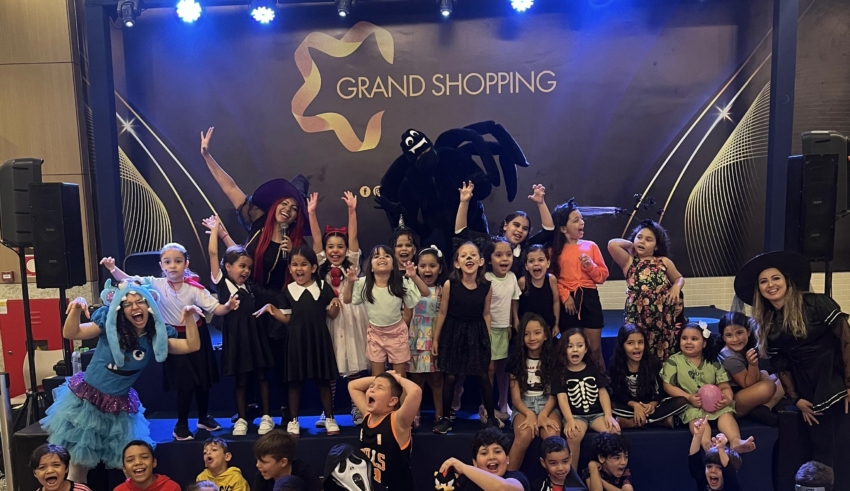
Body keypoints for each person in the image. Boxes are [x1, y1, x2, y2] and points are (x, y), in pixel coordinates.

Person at [201, 127, 311, 422]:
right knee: (247, 355)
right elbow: (231, 188)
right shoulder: (258, 221)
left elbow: (305, 276)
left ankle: (284, 411)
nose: (288, 210)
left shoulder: (296, 242)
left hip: (277, 302)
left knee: (277, 359)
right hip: (248, 297)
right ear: (275, 205)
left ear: (297, 217)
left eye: (294, 208)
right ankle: (246, 409)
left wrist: (292, 256)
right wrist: (207, 155)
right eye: (284, 203)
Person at [41, 280, 199, 482]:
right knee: (77, 466)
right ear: (120, 308)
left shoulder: (155, 338)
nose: (135, 307)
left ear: (150, 304)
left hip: (119, 407)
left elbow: (192, 345)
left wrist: (189, 317)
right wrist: (76, 308)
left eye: (140, 301)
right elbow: (71, 333)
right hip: (86, 404)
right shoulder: (110, 326)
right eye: (128, 303)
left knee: (132, 462)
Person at [734, 251, 850, 487]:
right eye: (763, 281)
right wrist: (796, 399)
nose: (770, 285)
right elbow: (781, 365)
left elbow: (846, 340)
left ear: (787, 281)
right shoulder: (769, 322)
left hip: (835, 378)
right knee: (821, 449)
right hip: (807, 389)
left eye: (775, 278)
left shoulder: (817, 303)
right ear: (759, 289)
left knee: (840, 447)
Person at [102, 245, 240, 440]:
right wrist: (112, 268)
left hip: (197, 335)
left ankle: (203, 417)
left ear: (186, 264)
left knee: (203, 380)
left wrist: (228, 306)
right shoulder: (155, 284)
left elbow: (216, 308)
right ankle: (181, 424)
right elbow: (129, 281)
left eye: (178, 261)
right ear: (161, 265)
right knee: (184, 383)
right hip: (173, 337)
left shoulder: (194, 288)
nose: (173, 266)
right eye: (167, 262)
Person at [254, 246, 342, 436]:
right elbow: (287, 319)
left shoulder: (322, 287)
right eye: (294, 265)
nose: (299, 268)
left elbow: (332, 314)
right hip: (296, 342)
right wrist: (271, 309)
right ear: (290, 268)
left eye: (303, 264)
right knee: (295, 383)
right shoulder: (288, 291)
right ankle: (293, 420)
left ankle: (329, 418)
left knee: (323, 381)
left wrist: (336, 304)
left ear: (313, 267)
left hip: (319, 340)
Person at [206, 216, 276, 436]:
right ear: (228, 267)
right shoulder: (222, 283)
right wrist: (216, 231)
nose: (245, 271)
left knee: (262, 377)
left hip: (255, 337)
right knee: (242, 380)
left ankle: (266, 416)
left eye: (248, 267)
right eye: (241, 266)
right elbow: (213, 254)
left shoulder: (250, 287)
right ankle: (242, 419)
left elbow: (237, 253)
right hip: (237, 339)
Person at [306, 191, 370, 427]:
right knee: (330, 365)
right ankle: (328, 410)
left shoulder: (351, 264)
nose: (335, 250)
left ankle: (357, 406)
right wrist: (312, 213)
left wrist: (352, 210)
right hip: (329, 319)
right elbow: (315, 240)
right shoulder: (321, 266)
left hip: (351, 317)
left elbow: (353, 237)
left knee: (353, 365)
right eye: (330, 246)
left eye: (340, 247)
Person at [661, 322, 756, 454]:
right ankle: (707, 445)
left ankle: (735, 441)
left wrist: (727, 398)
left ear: (704, 343)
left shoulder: (713, 362)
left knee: (725, 413)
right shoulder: (674, 361)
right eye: (684, 338)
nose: (688, 342)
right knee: (697, 420)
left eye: (694, 339)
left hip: (714, 403)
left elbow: (724, 385)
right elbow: (668, 385)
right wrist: (689, 397)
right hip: (690, 404)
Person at [432, 242, 495, 435]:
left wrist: (487, 338)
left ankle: (491, 418)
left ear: (481, 261)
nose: (469, 258)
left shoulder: (486, 286)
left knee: (483, 375)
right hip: (454, 331)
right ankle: (446, 418)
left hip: (476, 331)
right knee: (450, 376)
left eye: (473, 255)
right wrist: (436, 339)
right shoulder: (450, 285)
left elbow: (486, 313)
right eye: (464, 255)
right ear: (457, 263)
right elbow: (442, 312)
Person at [343, 244, 428, 377]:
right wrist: (349, 282)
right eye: (376, 256)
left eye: (387, 255)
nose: (382, 258)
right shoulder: (364, 283)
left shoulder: (401, 282)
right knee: (377, 376)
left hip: (397, 333)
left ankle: (400, 392)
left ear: (393, 265)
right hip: (375, 334)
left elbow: (426, 292)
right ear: (371, 267)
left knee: (399, 376)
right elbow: (347, 299)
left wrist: (413, 276)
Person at [608, 219, 684, 362]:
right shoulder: (629, 261)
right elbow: (612, 244)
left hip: (662, 318)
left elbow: (679, 278)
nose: (642, 241)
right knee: (636, 351)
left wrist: (676, 287)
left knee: (661, 353)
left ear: (657, 246)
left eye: (648, 239)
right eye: (639, 237)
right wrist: (631, 245)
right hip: (637, 317)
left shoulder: (664, 262)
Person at [550, 199, 609, 370]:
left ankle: (602, 383)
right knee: (570, 349)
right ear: (563, 228)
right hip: (567, 301)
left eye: (581, 219)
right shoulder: (553, 250)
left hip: (589, 298)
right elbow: (552, 278)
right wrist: (564, 295)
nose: (581, 222)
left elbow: (602, 277)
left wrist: (590, 266)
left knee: (594, 349)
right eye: (576, 220)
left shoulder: (591, 246)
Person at [454, 181, 555, 277]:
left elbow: (548, 231)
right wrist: (464, 202)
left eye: (525, 228)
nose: (520, 230)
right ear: (505, 225)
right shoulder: (489, 243)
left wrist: (541, 203)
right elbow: (461, 232)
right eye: (516, 225)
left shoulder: (526, 248)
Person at [555, 328, 620, 467]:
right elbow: (562, 399)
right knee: (573, 436)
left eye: (580, 345)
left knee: (614, 432)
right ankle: (572, 476)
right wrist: (570, 420)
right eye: (570, 346)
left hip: (597, 415)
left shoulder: (593, 369)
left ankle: (609, 472)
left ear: (586, 349)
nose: (575, 350)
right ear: (563, 349)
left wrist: (608, 415)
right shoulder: (561, 373)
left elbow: (602, 393)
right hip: (576, 416)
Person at [348, 371, 423, 491]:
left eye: (380, 388)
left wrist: (397, 379)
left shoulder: (397, 422)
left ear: (392, 401)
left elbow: (415, 391)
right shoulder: (367, 416)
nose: (372, 390)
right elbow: (353, 385)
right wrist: (382, 377)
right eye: (371, 386)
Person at [506, 313, 561, 471]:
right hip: (524, 406)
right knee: (524, 435)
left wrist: (543, 414)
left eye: (537, 333)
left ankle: (557, 481)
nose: (532, 338)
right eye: (526, 334)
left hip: (548, 405)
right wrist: (529, 414)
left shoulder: (553, 360)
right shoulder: (516, 361)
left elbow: (554, 394)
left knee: (552, 436)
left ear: (546, 335)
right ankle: (508, 480)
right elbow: (516, 399)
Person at [608, 324, 688, 428]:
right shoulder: (617, 365)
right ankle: (658, 420)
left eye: (640, 342)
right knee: (610, 404)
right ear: (622, 346)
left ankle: (634, 422)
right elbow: (617, 393)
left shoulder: (653, 363)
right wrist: (635, 405)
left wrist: (652, 405)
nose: (637, 347)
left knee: (682, 401)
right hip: (629, 407)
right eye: (630, 343)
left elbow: (660, 391)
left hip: (651, 406)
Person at [481, 234, 522, 425]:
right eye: (498, 255)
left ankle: (503, 403)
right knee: (489, 368)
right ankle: (486, 406)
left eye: (508, 254)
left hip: (504, 329)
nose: (504, 259)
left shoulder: (512, 277)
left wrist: (514, 320)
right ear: (489, 259)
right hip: (489, 329)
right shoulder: (486, 278)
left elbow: (514, 300)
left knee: (503, 370)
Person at [716, 311, 783, 426]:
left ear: (748, 331)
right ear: (723, 337)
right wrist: (753, 365)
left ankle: (764, 407)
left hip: (743, 390)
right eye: (729, 335)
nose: (735, 339)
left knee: (782, 380)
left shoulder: (746, 347)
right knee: (769, 386)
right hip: (732, 400)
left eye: (739, 333)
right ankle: (758, 407)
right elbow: (747, 384)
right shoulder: (729, 357)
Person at [408, 246, 448, 427]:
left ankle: (440, 414)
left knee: (437, 379)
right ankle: (415, 413)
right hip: (415, 338)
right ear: (416, 268)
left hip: (433, 338)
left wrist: (438, 339)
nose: (427, 270)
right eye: (423, 266)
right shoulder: (411, 288)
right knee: (417, 379)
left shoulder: (442, 290)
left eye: (432, 266)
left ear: (440, 268)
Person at [437, 427, 530, 491]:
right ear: (475, 462)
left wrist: (463, 467)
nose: (492, 457)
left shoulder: (518, 478)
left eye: (497, 451)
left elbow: (502, 489)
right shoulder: (466, 484)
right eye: (484, 453)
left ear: (507, 458)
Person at [251, 431, 321, 491]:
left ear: (283, 462)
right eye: (258, 460)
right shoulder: (262, 476)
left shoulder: (306, 474)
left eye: (264, 462)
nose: (258, 465)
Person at [687, 419, 741, 491]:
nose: (713, 470)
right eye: (709, 466)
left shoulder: (732, 487)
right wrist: (697, 436)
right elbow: (694, 460)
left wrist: (721, 448)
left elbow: (729, 471)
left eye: (719, 468)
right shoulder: (704, 483)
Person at [517, 245, 560, 337]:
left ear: (548, 263)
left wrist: (556, 324)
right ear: (526, 266)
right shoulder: (522, 282)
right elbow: (515, 301)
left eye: (540, 260)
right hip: (527, 327)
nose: (536, 264)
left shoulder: (551, 279)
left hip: (547, 325)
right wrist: (515, 319)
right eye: (531, 261)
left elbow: (556, 302)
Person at [114, 441, 181, 491]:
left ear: (154, 462)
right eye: (130, 460)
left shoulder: (171, 487)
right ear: (124, 468)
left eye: (144, 457)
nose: (137, 462)